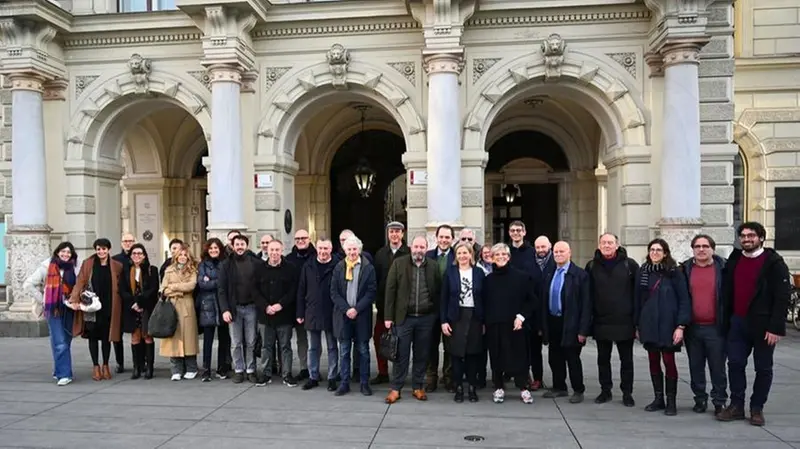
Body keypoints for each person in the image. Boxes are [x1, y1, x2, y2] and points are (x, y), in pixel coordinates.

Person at [717, 222, 790, 426]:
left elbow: (782, 296)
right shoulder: (735, 259)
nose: (747, 239)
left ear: (761, 238)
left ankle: (757, 408)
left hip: (764, 325)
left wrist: (776, 326)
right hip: (737, 323)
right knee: (735, 364)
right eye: (743, 236)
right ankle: (736, 406)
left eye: (752, 235)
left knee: (763, 368)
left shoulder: (773, 262)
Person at [634, 238, 691, 416]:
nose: (655, 253)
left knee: (668, 361)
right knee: (653, 360)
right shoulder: (643, 271)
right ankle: (658, 398)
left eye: (659, 250)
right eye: (652, 250)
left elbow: (684, 299)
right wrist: (637, 324)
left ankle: (671, 401)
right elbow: (637, 300)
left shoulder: (674, 272)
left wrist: (680, 326)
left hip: (668, 324)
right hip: (649, 323)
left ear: (665, 253)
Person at [383, 235, 441, 404]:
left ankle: (418, 387)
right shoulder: (399, 264)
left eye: (422, 247)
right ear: (410, 247)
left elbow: (437, 291)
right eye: (416, 246)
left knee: (422, 354)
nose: (418, 250)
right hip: (404, 318)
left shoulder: (433, 266)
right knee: (401, 354)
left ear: (426, 248)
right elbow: (390, 291)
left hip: (426, 318)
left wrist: (435, 315)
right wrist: (388, 316)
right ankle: (396, 388)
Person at [585, 233, 639, 407]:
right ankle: (605, 390)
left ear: (617, 245)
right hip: (601, 320)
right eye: (603, 243)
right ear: (599, 245)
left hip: (625, 320)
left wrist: (637, 322)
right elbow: (588, 296)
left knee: (627, 360)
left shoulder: (629, 265)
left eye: (610, 242)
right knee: (603, 359)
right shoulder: (592, 266)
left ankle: (627, 392)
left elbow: (637, 294)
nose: (606, 245)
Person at [680, 234, 728, 416]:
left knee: (718, 368)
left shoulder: (723, 268)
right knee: (696, 367)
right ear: (692, 249)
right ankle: (700, 398)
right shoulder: (684, 269)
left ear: (712, 249)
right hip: (693, 328)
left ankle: (719, 401)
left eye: (705, 246)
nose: (701, 249)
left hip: (716, 328)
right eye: (697, 246)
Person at [484, 243, 537, 404]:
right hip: (495, 325)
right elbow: (485, 302)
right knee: (497, 357)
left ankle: (523, 388)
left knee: (519, 357)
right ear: (492, 259)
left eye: (503, 255)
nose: (500, 258)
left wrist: (521, 317)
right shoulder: (488, 280)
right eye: (497, 255)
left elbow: (532, 300)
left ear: (509, 257)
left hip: (515, 324)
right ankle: (499, 387)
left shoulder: (521, 277)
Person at [541, 241, 591, 404]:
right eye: (555, 252)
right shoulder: (550, 273)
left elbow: (586, 305)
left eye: (562, 251)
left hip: (571, 323)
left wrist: (583, 331)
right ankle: (559, 387)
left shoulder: (580, 275)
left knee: (572, 358)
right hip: (553, 321)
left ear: (570, 253)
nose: (558, 254)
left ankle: (578, 389)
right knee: (554, 357)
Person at [24, 242, 80, 386]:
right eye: (63, 251)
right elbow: (28, 284)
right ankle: (65, 374)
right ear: (57, 252)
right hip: (53, 309)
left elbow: (80, 284)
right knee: (60, 341)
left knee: (65, 340)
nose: (66, 254)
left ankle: (58, 370)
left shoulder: (75, 267)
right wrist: (43, 299)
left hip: (69, 308)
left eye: (68, 252)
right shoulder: (47, 266)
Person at [70, 238, 123, 381]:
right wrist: (74, 299)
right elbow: (80, 281)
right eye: (98, 249)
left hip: (109, 306)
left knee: (107, 337)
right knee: (93, 337)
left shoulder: (116, 266)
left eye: (104, 249)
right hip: (91, 307)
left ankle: (106, 365)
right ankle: (95, 367)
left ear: (108, 250)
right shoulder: (88, 264)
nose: (101, 251)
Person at [330, 235, 377, 396]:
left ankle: (364, 382)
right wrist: (347, 309)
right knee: (344, 351)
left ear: (359, 249)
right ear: (345, 250)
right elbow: (334, 292)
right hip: (344, 316)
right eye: (349, 249)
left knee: (363, 350)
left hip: (362, 315)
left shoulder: (368, 267)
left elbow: (371, 292)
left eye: (354, 249)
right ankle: (344, 383)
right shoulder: (339, 268)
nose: (352, 252)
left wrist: (356, 309)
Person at [218, 234, 267, 384]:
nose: (239, 247)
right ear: (232, 246)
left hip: (251, 307)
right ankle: (239, 369)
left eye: (242, 244)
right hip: (234, 308)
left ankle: (251, 370)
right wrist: (225, 309)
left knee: (251, 341)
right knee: (236, 342)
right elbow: (221, 289)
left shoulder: (256, 263)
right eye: (237, 244)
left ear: (247, 245)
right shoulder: (225, 265)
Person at [441, 242, 485, 403]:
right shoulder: (450, 273)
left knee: (473, 354)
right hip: (456, 317)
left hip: (474, 316)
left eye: (465, 253)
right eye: (459, 253)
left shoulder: (479, 273)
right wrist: (444, 321)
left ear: (470, 255)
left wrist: (484, 321)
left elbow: (484, 298)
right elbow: (444, 298)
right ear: (456, 256)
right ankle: (458, 386)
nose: (462, 256)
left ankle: (472, 387)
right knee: (457, 355)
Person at [296, 238, 339, 391]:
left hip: (332, 312)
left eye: (325, 248)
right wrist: (300, 312)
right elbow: (301, 290)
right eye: (320, 248)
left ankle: (332, 377)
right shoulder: (308, 265)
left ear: (331, 249)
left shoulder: (338, 265)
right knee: (313, 348)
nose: (322, 251)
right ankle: (313, 376)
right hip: (312, 311)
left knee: (332, 347)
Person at [256, 240, 299, 388]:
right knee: (266, 347)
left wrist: (281, 305)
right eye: (271, 250)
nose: (274, 253)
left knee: (285, 346)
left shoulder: (290, 268)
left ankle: (287, 374)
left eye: (277, 250)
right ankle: (266, 374)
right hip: (265, 315)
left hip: (284, 314)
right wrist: (265, 306)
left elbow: (293, 290)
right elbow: (254, 291)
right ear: (267, 250)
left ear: (282, 250)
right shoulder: (259, 268)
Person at [372, 221, 410, 385]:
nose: (394, 234)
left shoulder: (408, 253)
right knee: (379, 339)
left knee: (401, 342)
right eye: (391, 232)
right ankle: (382, 372)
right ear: (388, 234)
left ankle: (399, 373)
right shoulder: (380, 254)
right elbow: (376, 280)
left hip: (403, 307)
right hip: (383, 306)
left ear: (403, 234)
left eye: (397, 232)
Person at [159, 244, 200, 381]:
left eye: (185, 255)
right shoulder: (169, 270)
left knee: (189, 338)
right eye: (180, 255)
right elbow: (164, 289)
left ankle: (191, 368)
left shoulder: (192, 270)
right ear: (176, 256)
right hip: (172, 305)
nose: (182, 257)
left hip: (187, 306)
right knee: (173, 338)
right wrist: (176, 290)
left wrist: (174, 287)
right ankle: (176, 370)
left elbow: (191, 286)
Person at [119, 243, 159, 380]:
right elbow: (122, 290)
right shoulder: (125, 270)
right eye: (134, 253)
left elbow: (153, 289)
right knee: (135, 337)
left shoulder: (151, 270)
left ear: (144, 255)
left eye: (139, 253)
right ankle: (137, 368)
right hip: (132, 308)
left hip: (146, 307)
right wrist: (133, 303)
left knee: (147, 336)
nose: (137, 256)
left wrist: (141, 302)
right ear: (130, 256)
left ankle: (150, 368)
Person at [425, 224, 455, 392]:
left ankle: (448, 377)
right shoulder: (428, 256)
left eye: (447, 237)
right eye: (441, 237)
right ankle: (431, 378)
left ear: (452, 239)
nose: (444, 240)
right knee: (431, 345)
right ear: (436, 238)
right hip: (431, 308)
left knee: (449, 346)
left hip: (450, 309)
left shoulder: (457, 256)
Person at [196, 238, 231, 382]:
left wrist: (210, 281)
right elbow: (202, 284)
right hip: (207, 305)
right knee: (208, 340)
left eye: (216, 248)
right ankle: (206, 369)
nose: (213, 251)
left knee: (224, 339)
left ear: (220, 249)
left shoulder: (226, 263)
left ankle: (222, 368)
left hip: (223, 304)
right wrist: (218, 282)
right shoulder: (203, 265)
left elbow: (227, 283)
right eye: (211, 248)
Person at [285, 229, 315, 381]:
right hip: (294, 305)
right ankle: (304, 368)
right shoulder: (289, 259)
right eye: (297, 238)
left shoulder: (317, 256)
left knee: (314, 340)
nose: (300, 240)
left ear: (309, 239)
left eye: (303, 238)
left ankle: (313, 368)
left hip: (313, 306)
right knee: (301, 339)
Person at [111, 232, 136, 373]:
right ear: (121, 243)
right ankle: (120, 363)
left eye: (130, 241)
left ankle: (139, 363)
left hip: (135, 300)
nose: (128, 243)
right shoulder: (115, 260)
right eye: (125, 241)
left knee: (137, 333)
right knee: (117, 334)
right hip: (119, 301)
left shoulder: (139, 257)